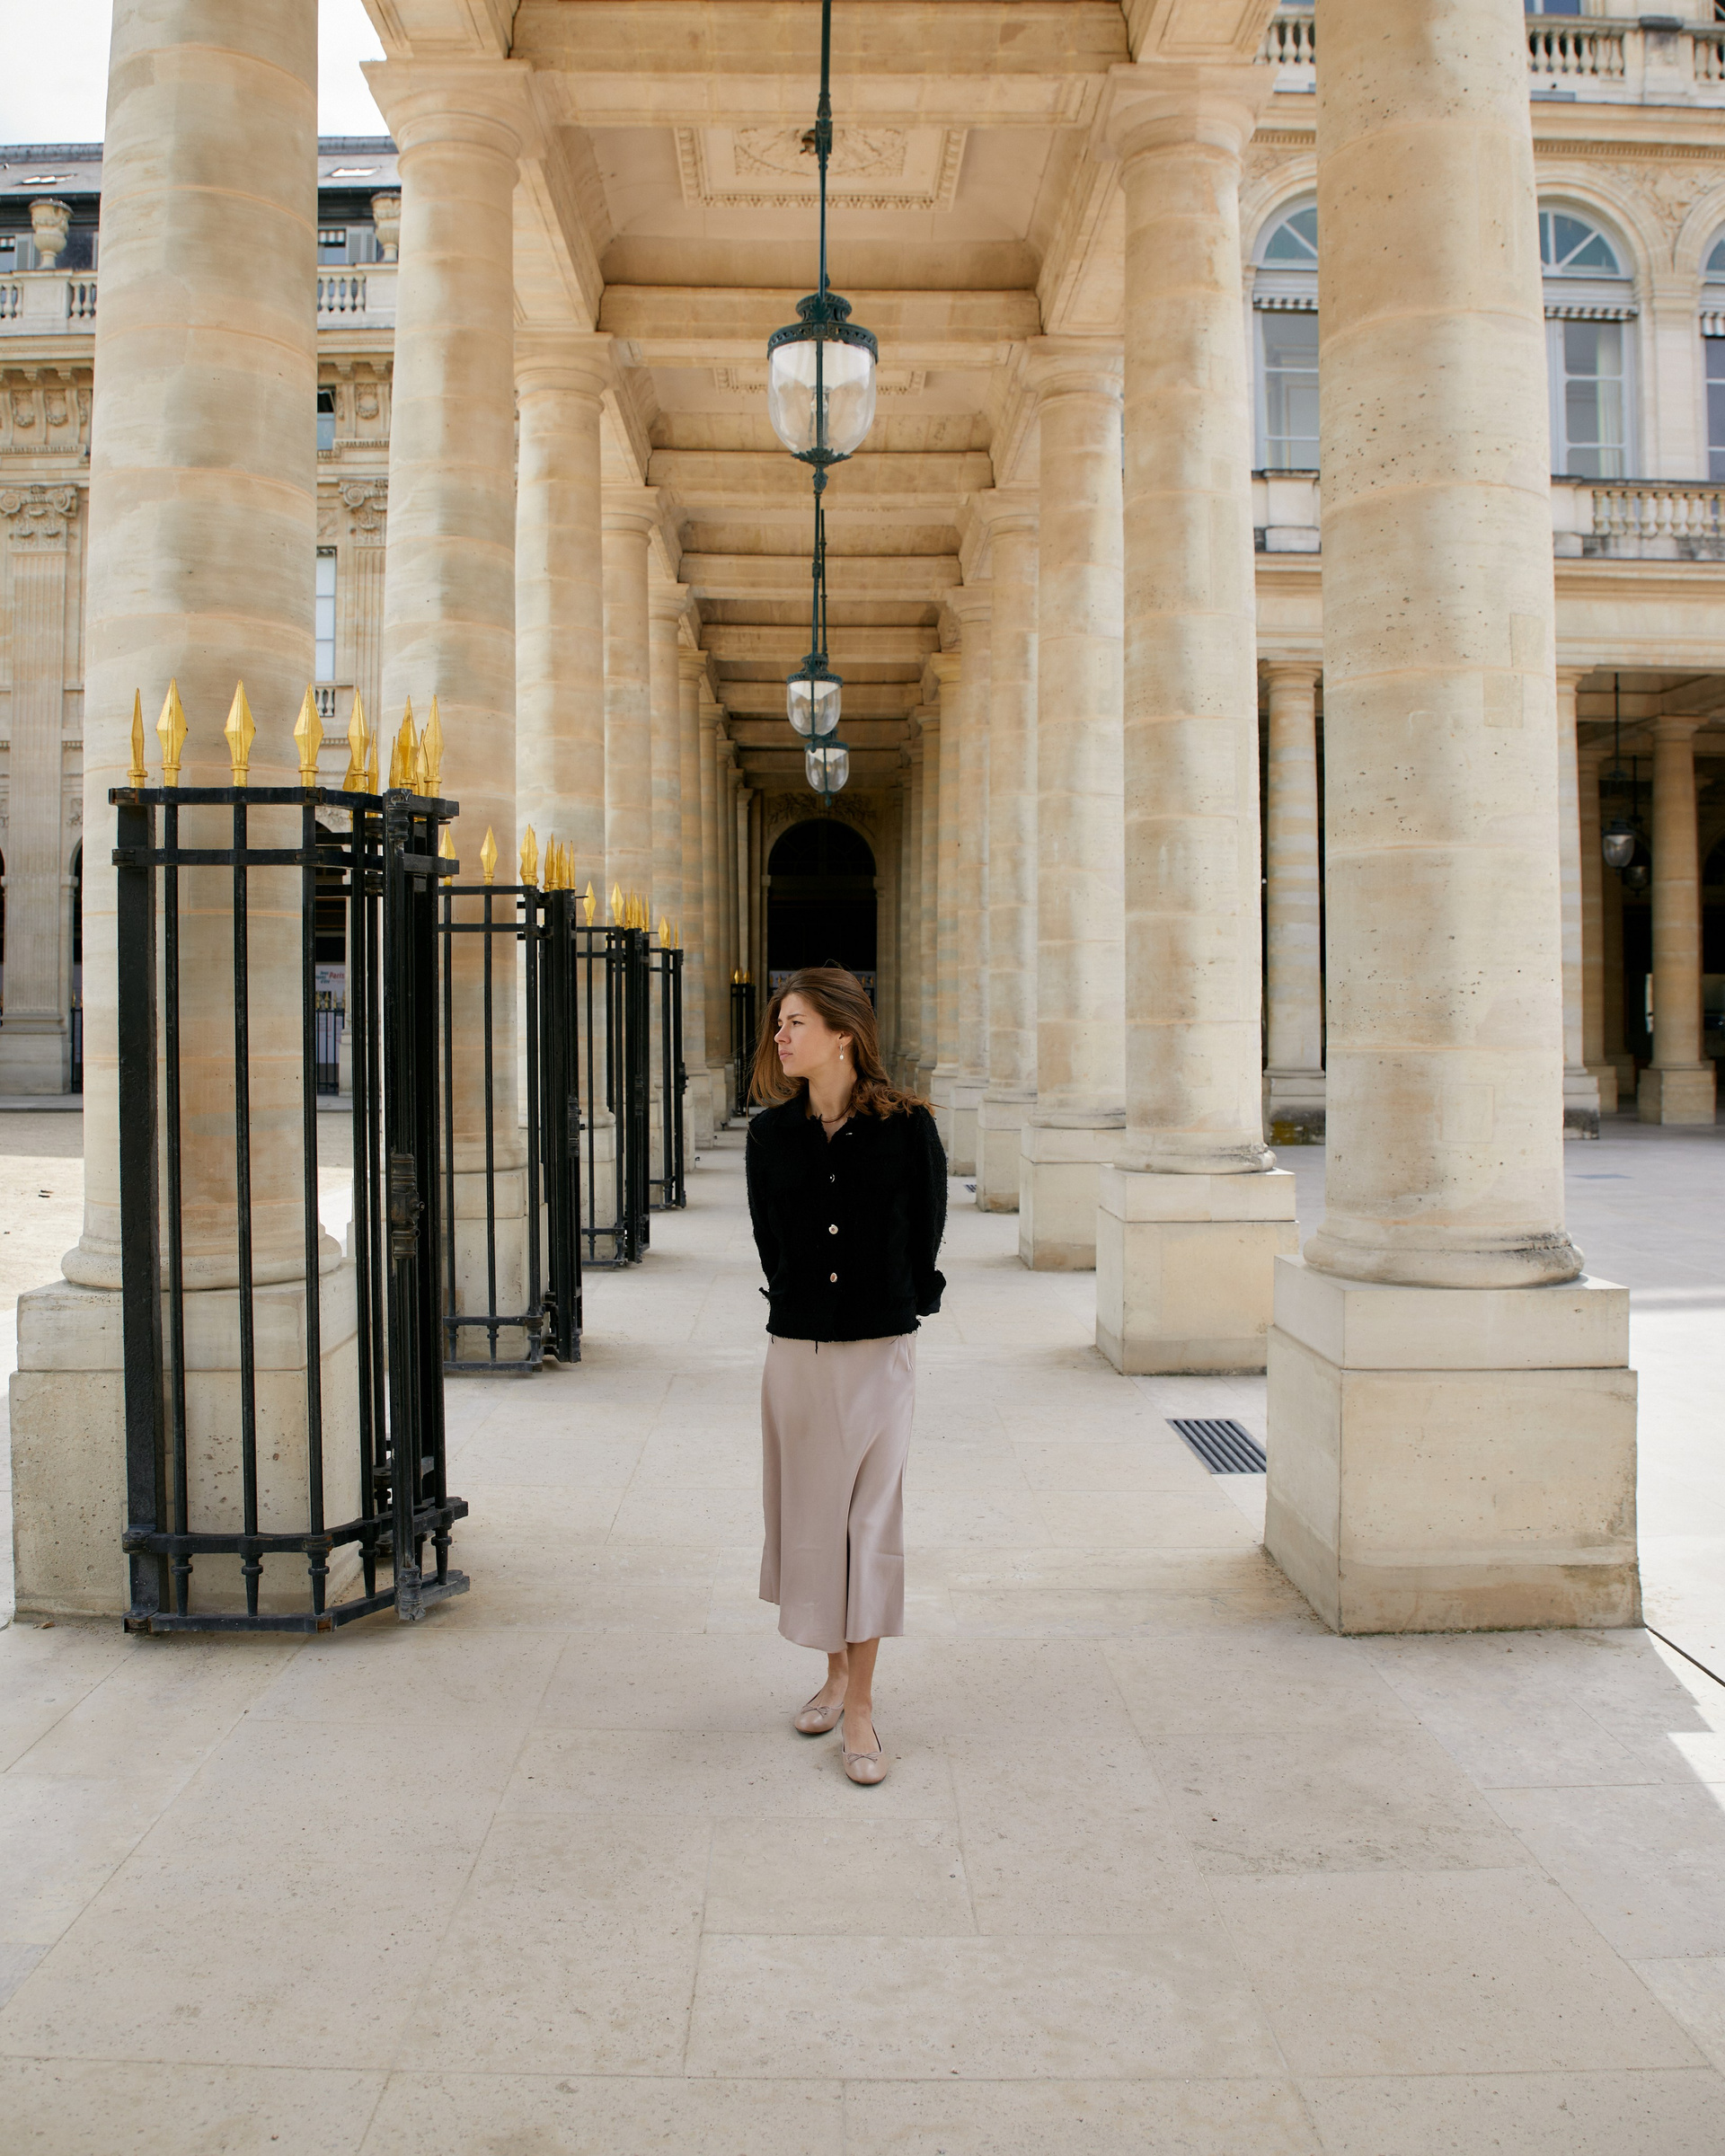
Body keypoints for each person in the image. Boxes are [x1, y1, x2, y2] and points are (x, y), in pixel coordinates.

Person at [744, 965, 948, 1786]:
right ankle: (832, 1677)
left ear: (843, 1034)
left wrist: (886, 1305)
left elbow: (925, 1236)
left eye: (795, 1022)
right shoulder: (770, 1136)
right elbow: (771, 1244)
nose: (780, 1037)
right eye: (779, 1024)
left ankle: (858, 1707)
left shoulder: (909, 1128)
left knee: (869, 1525)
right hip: (797, 1354)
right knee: (816, 1523)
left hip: (877, 1354)